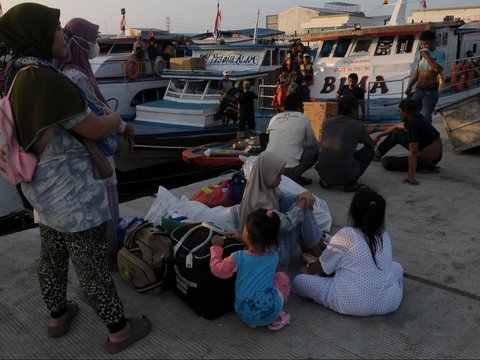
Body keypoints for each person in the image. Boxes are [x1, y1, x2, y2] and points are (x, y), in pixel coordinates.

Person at [0, 3, 150, 353]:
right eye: (55, 30)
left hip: (42, 189)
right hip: (72, 194)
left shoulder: (17, 73)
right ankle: (119, 329)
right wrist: (115, 120)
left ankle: (57, 315)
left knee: (52, 256)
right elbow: (94, 127)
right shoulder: (43, 78)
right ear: (37, 35)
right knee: (91, 265)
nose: (62, 36)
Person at [55, 17, 135, 267]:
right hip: (93, 153)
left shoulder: (65, 73)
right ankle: (109, 255)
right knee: (106, 204)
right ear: (80, 44)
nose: (96, 45)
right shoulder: (77, 76)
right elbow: (98, 112)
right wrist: (121, 124)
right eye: (93, 41)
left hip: (79, 156)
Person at [292, 186, 404, 316]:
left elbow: (322, 265)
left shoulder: (347, 234)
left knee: (298, 281)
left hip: (352, 303)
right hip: (390, 302)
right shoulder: (384, 234)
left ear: (354, 213)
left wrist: (307, 270)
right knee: (397, 267)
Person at [230, 151, 324, 271]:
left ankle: (311, 246)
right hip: (271, 251)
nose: (280, 180)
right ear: (267, 173)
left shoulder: (262, 187)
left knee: (296, 202)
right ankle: (317, 252)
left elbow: (283, 197)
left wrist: (302, 196)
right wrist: (302, 203)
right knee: (302, 211)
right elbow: (286, 224)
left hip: (271, 236)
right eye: (278, 175)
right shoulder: (258, 203)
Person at [210, 208, 291, 331]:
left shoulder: (238, 257)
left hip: (243, 313)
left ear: (247, 234)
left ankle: (256, 322)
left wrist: (216, 248)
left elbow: (217, 269)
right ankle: (277, 316)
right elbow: (259, 248)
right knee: (282, 277)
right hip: (268, 313)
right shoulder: (274, 257)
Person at [372, 98, 442, 185]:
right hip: (436, 157)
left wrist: (411, 175)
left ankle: (423, 167)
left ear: (406, 112)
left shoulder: (412, 126)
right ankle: (377, 154)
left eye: (400, 111)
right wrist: (379, 135)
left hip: (427, 161)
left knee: (386, 162)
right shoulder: (419, 119)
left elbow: (414, 152)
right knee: (397, 133)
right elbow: (396, 127)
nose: (399, 113)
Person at [315, 95, 375, 192]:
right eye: (357, 109)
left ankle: (326, 180)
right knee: (369, 151)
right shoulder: (358, 125)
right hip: (345, 176)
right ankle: (351, 184)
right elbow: (370, 144)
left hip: (323, 173)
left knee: (337, 154)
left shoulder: (326, 122)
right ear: (352, 110)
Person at [266, 94, 319, 186]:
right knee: (316, 148)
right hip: (288, 171)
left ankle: (290, 177)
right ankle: (295, 177)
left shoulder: (274, 118)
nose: (303, 109)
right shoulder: (303, 119)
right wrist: (299, 144)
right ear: (298, 107)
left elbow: (270, 137)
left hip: (269, 169)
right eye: (302, 106)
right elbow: (312, 143)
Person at [405, 30, 446, 123]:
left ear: (433, 41)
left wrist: (427, 57)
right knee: (412, 113)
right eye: (422, 44)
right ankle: (416, 134)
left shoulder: (439, 53)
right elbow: (417, 73)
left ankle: (426, 136)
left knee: (426, 116)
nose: (424, 46)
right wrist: (410, 86)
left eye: (426, 44)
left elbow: (437, 69)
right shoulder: (422, 54)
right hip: (418, 89)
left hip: (430, 92)